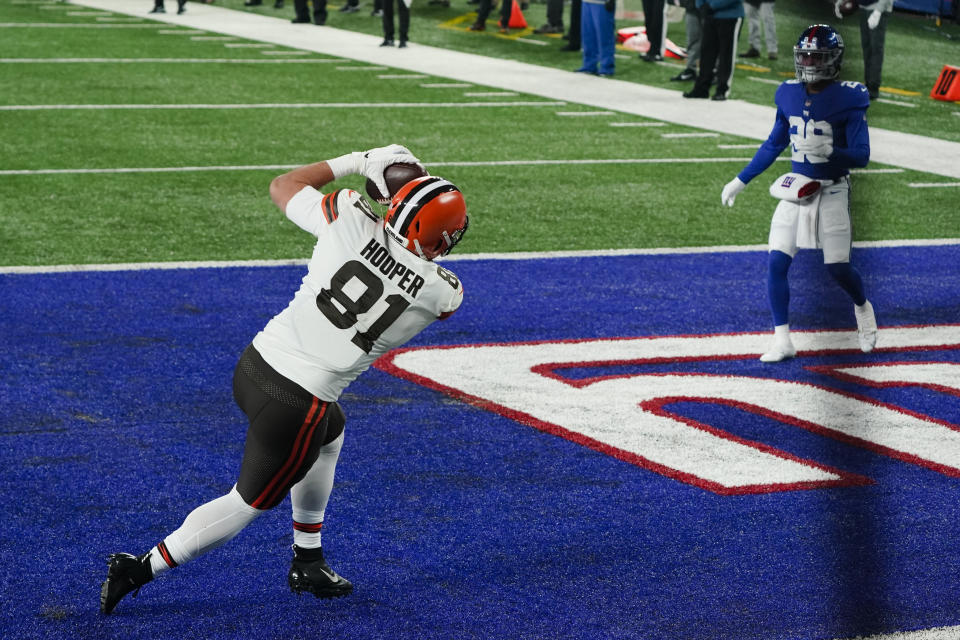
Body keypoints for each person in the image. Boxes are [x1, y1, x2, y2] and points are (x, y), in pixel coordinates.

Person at [99, 144, 469, 615]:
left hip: (255, 366)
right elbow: (417, 260)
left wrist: (357, 163)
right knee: (248, 502)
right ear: (440, 241)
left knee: (331, 433)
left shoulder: (349, 217)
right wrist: (400, 203)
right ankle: (138, 568)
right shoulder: (442, 293)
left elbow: (283, 186)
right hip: (297, 403)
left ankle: (308, 559)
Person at [719, 24, 877, 363]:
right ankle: (783, 340)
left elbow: (862, 155)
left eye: (816, 56)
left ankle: (862, 307)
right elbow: (775, 142)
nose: (808, 62)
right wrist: (741, 179)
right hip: (796, 185)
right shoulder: (787, 92)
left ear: (832, 60)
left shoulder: (850, 97)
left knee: (837, 268)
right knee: (777, 261)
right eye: (804, 55)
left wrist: (831, 150)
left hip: (832, 188)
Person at [683, 0, 743, 100]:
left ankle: (722, 89)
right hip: (710, 15)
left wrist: (711, 6)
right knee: (706, 53)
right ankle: (702, 88)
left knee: (726, 54)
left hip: (729, 15)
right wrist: (700, 5)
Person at [836, 0, 893, 100]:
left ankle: (873, 88)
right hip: (864, 7)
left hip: (877, 8)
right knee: (867, 49)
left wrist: (878, 11)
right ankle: (868, 85)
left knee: (875, 49)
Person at [576, 0, 616, 76]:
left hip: (602, 3)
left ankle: (606, 67)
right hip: (586, 2)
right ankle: (589, 65)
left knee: (604, 35)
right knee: (588, 35)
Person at [670, 0, 701, 81]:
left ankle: (713, 72)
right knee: (692, 41)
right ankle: (690, 70)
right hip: (692, 7)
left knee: (711, 43)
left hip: (711, 10)